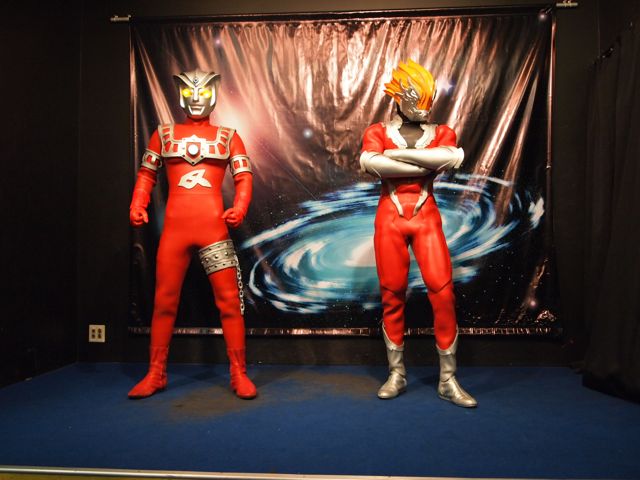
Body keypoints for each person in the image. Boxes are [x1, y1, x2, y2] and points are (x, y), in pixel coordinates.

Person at [128, 68, 257, 400]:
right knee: (163, 302)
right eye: (189, 93)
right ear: (181, 95)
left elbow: (244, 177)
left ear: (213, 94)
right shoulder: (164, 134)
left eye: (202, 92)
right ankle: (156, 373)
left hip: (213, 229)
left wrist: (240, 207)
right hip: (176, 231)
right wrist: (138, 202)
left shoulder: (228, 136)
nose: (197, 98)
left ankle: (238, 372)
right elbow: (147, 174)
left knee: (229, 302)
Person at [360, 60, 476, 407]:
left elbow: (451, 157)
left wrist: (393, 156)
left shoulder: (442, 131)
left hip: (426, 218)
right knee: (392, 295)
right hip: (390, 219)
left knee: (443, 293)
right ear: (399, 96)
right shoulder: (377, 130)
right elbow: (372, 163)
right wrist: (426, 160)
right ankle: (396, 373)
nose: (424, 105)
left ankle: (448, 379)